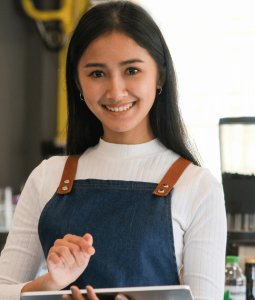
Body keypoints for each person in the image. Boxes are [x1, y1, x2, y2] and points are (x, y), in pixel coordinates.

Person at [0, 2, 227, 300]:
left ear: (159, 76)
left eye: (131, 70)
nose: (115, 91)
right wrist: (49, 285)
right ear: (78, 82)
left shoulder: (198, 187)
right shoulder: (47, 177)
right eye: (97, 74)